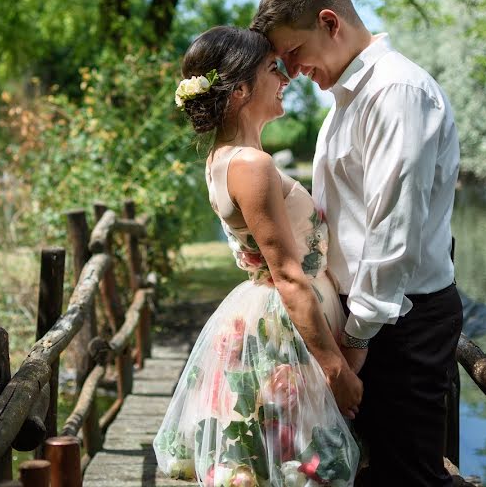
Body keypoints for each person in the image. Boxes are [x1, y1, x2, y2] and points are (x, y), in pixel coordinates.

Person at [251, 0, 463, 487]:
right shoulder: (346, 101)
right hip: (363, 319)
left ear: (330, 22)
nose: (293, 71)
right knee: (357, 471)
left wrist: (352, 344)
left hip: (398, 325)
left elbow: (394, 230)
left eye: (294, 53)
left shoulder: (396, 93)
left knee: (407, 475)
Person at [153, 26, 361, 486]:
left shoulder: (227, 158)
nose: (285, 77)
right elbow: (288, 275)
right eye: (273, 68)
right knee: (299, 465)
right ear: (240, 90)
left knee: (279, 464)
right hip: (283, 327)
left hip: (278, 317)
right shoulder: (252, 165)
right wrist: (337, 368)